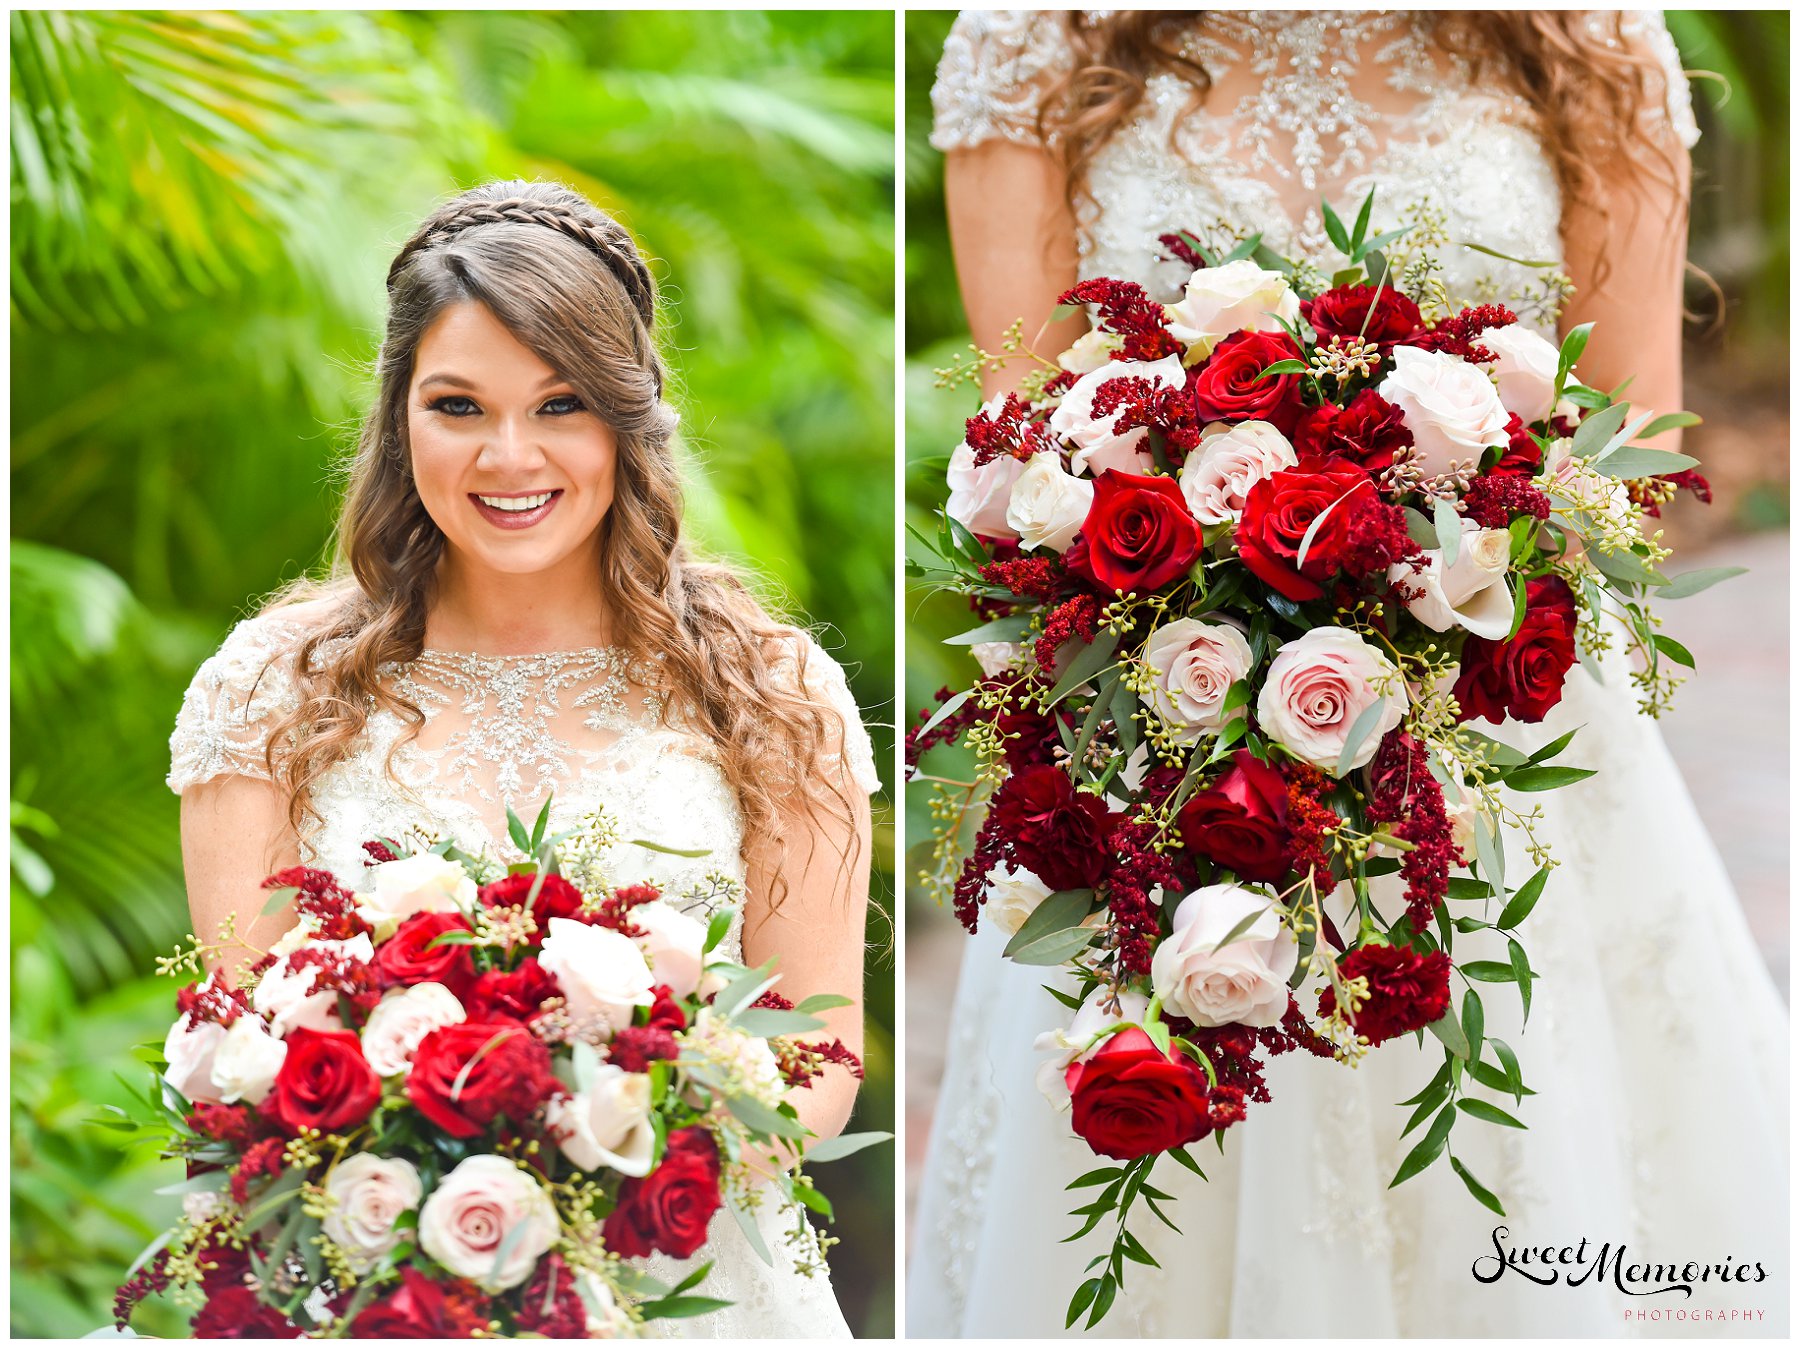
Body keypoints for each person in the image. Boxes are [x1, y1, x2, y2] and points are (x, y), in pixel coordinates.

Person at [911, 11, 1786, 1337]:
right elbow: (1025, 457)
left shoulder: (1590, 35)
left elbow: (1634, 461)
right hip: (1163, 743)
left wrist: (1428, 588)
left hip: (1496, 741)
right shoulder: (1034, 38)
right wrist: (1215, 595)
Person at [168, 179, 879, 1339]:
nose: (509, 456)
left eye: (560, 404)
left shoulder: (771, 687)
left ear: (627, 414)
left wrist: (588, 1133)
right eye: (458, 405)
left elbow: (820, 1064)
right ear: (400, 417)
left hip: (692, 1289)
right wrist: (440, 1154)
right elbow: (240, 1045)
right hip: (378, 1284)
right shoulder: (269, 689)